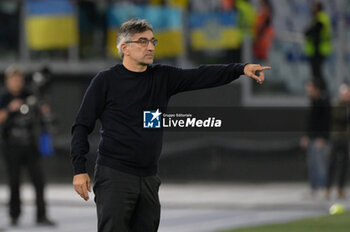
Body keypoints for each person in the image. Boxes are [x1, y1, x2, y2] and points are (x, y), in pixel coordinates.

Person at [70, 19, 270, 232]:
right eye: (143, 41)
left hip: (149, 177)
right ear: (124, 48)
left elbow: (201, 75)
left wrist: (241, 68)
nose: (150, 47)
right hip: (115, 175)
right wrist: (79, 169)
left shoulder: (162, 77)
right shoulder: (105, 81)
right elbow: (81, 126)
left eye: (152, 41)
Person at [0, 65, 55, 226]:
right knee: (14, 181)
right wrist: (10, 108)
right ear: (8, 81)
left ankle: (41, 215)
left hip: (30, 143)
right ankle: (14, 215)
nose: (17, 82)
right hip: (12, 144)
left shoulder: (30, 95)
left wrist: (43, 110)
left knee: (39, 181)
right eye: (13, 79)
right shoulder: (4, 97)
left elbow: (41, 114)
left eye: (19, 79)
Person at [300, 79, 331, 197]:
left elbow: (325, 121)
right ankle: (314, 188)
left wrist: (322, 137)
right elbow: (311, 122)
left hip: (320, 139)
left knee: (321, 164)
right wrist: (307, 136)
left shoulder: (323, 102)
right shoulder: (313, 101)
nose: (307, 89)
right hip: (312, 138)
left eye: (310, 87)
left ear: (316, 88)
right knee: (312, 163)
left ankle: (324, 188)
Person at [326, 84, 350, 199]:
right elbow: (339, 118)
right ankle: (328, 188)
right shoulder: (337, 105)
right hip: (336, 138)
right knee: (332, 163)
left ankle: (340, 188)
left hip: (345, 138)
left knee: (344, 164)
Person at [304, 1, 332, 84]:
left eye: (314, 7)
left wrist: (307, 32)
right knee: (316, 72)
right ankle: (318, 90)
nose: (312, 9)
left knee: (317, 72)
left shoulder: (321, 18)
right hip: (316, 49)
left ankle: (321, 90)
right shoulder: (317, 18)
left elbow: (314, 30)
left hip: (320, 49)